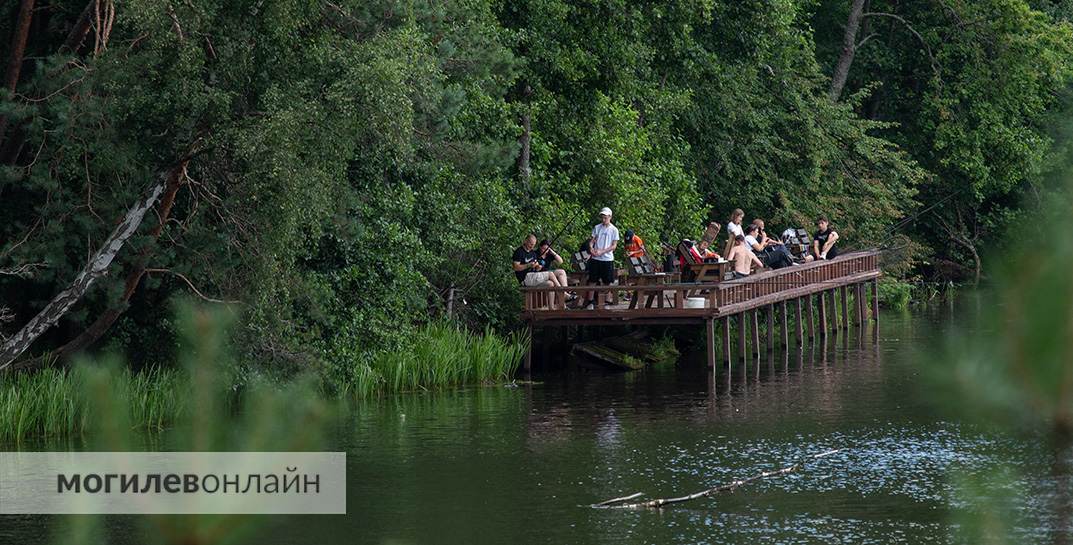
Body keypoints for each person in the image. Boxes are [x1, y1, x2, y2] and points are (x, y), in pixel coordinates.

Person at [512, 234, 567, 307]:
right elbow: (516, 267)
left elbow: (537, 266)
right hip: (525, 278)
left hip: (534, 276)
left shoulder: (532, 253)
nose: (532, 246)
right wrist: (528, 265)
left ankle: (551, 308)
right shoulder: (519, 252)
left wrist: (538, 267)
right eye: (530, 243)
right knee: (550, 274)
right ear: (525, 241)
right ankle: (563, 293)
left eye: (533, 244)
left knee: (550, 284)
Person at [582, 207, 620, 309]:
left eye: (605, 217)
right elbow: (592, 241)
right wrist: (591, 248)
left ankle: (607, 301)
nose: (603, 220)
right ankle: (590, 301)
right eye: (602, 217)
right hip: (595, 258)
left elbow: (614, 245)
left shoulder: (614, 230)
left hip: (607, 258)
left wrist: (602, 251)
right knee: (592, 280)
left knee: (607, 281)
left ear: (610, 217)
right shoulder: (597, 227)